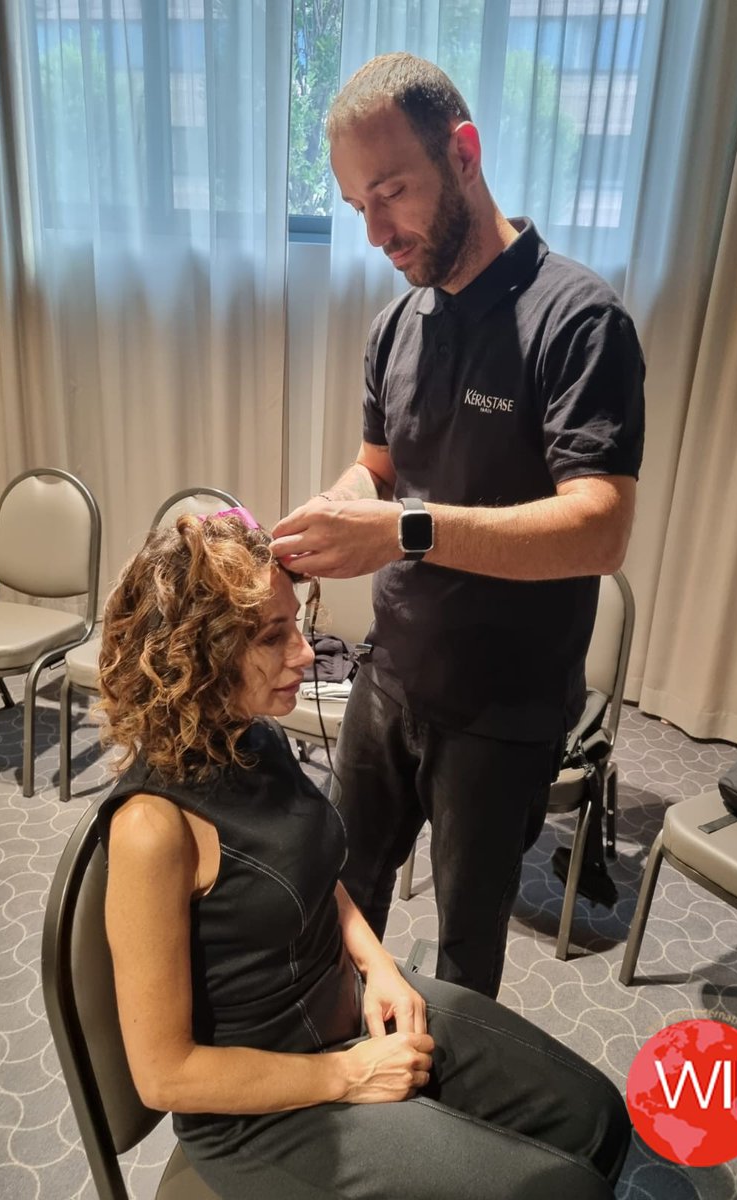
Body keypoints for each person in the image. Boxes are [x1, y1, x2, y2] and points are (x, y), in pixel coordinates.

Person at [96, 509, 632, 1200]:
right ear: (196, 655)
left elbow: (316, 876)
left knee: (597, 1119)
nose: (306, 652)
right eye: (272, 636)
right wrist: (350, 1076)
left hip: (349, 1012)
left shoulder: (249, 736)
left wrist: (378, 965)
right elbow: (165, 1075)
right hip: (262, 1113)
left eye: (296, 623)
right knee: (567, 1191)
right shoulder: (152, 826)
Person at [270, 52, 645, 999]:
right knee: (341, 896)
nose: (374, 232)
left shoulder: (578, 319)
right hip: (389, 680)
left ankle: (442, 1133)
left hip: (503, 708)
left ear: (465, 154)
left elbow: (599, 528)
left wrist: (402, 533)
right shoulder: (397, 327)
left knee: (462, 956)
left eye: (390, 193)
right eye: (358, 205)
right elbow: (378, 469)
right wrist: (338, 509)